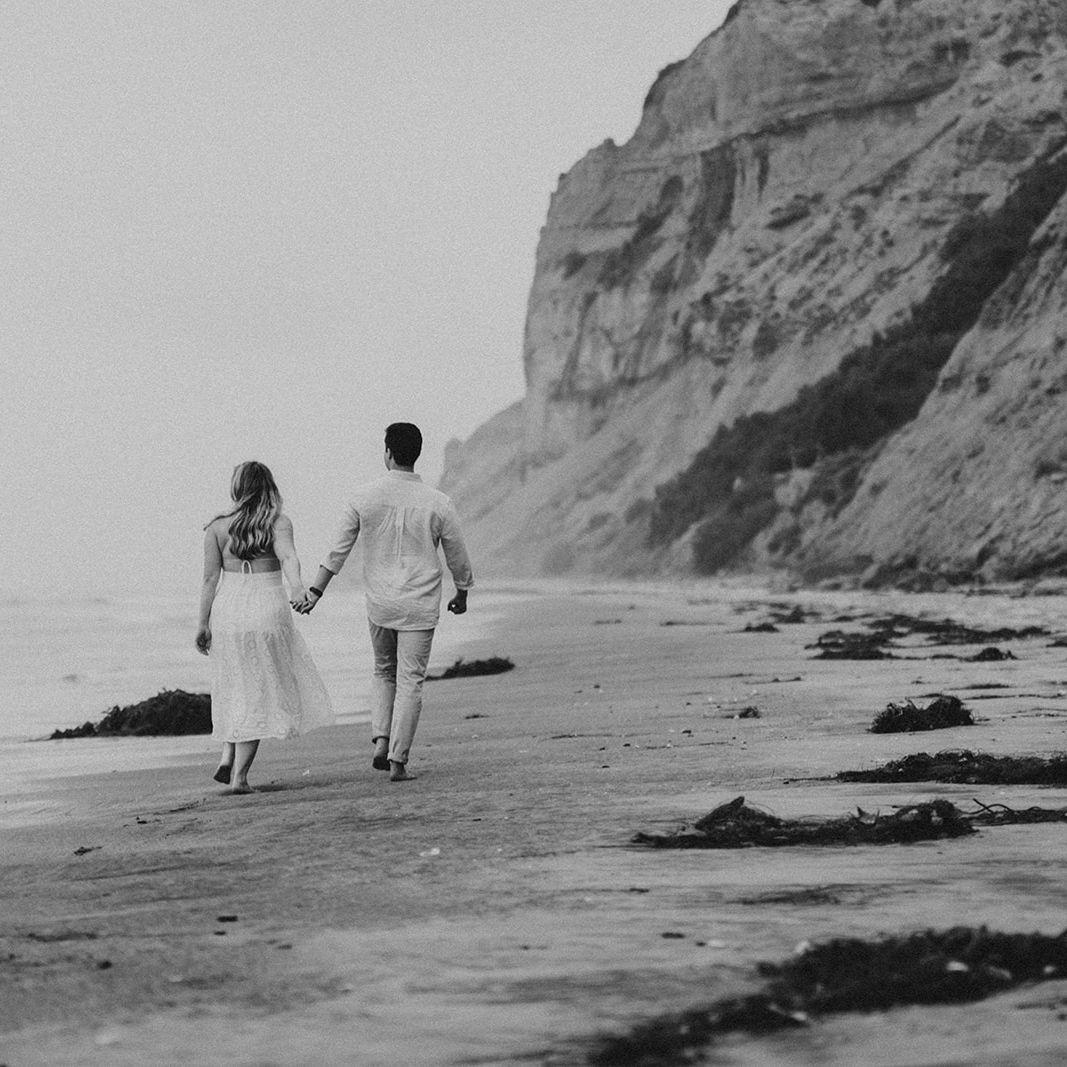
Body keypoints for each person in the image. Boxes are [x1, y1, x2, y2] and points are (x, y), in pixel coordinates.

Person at [294, 423, 473, 782]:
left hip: (381, 603)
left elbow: (337, 551)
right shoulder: (438, 502)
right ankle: (398, 761)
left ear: (388, 453)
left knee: (383, 671)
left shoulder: (364, 497)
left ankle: (381, 738)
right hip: (419, 604)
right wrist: (462, 591)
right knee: (411, 680)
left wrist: (315, 592)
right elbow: (456, 553)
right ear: (416, 454)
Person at [196, 461, 334, 793]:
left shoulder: (217, 528)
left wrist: (202, 623)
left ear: (237, 488)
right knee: (258, 690)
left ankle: (228, 754)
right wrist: (297, 588)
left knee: (235, 685)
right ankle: (239, 777)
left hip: (229, 610)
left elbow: (210, 579)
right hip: (267, 607)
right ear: (268, 486)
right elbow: (288, 558)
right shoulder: (278, 523)